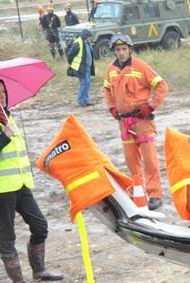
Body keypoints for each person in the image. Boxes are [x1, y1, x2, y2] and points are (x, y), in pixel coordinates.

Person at [0, 77, 64, 283]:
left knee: (40, 225)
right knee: (7, 235)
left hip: (21, 184)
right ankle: (18, 282)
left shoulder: (7, 117)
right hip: (2, 189)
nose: (2, 96)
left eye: (4, 92)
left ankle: (39, 270)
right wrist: (4, 137)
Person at [104, 34, 169, 211]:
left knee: (150, 160)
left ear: (129, 49)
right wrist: (112, 108)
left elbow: (162, 86)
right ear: (114, 51)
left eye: (124, 49)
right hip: (124, 123)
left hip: (142, 121)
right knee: (131, 160)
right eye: (118, 50)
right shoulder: (111, 69)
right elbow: (107, 89)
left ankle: (155, 194)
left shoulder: (140, 66)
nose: (121, 52)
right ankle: (137, 191)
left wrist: (151, 107)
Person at [65, 29, 95, 107]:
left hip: (87, 67)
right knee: (84, 83)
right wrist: (73, 64)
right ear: (86, 37)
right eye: (89, 37)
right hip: (81, 68)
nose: (90, 38)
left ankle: (86, 100)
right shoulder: (78, 43)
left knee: (87, 84)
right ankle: (81, 101)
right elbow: (70, 55)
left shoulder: (87, 43)